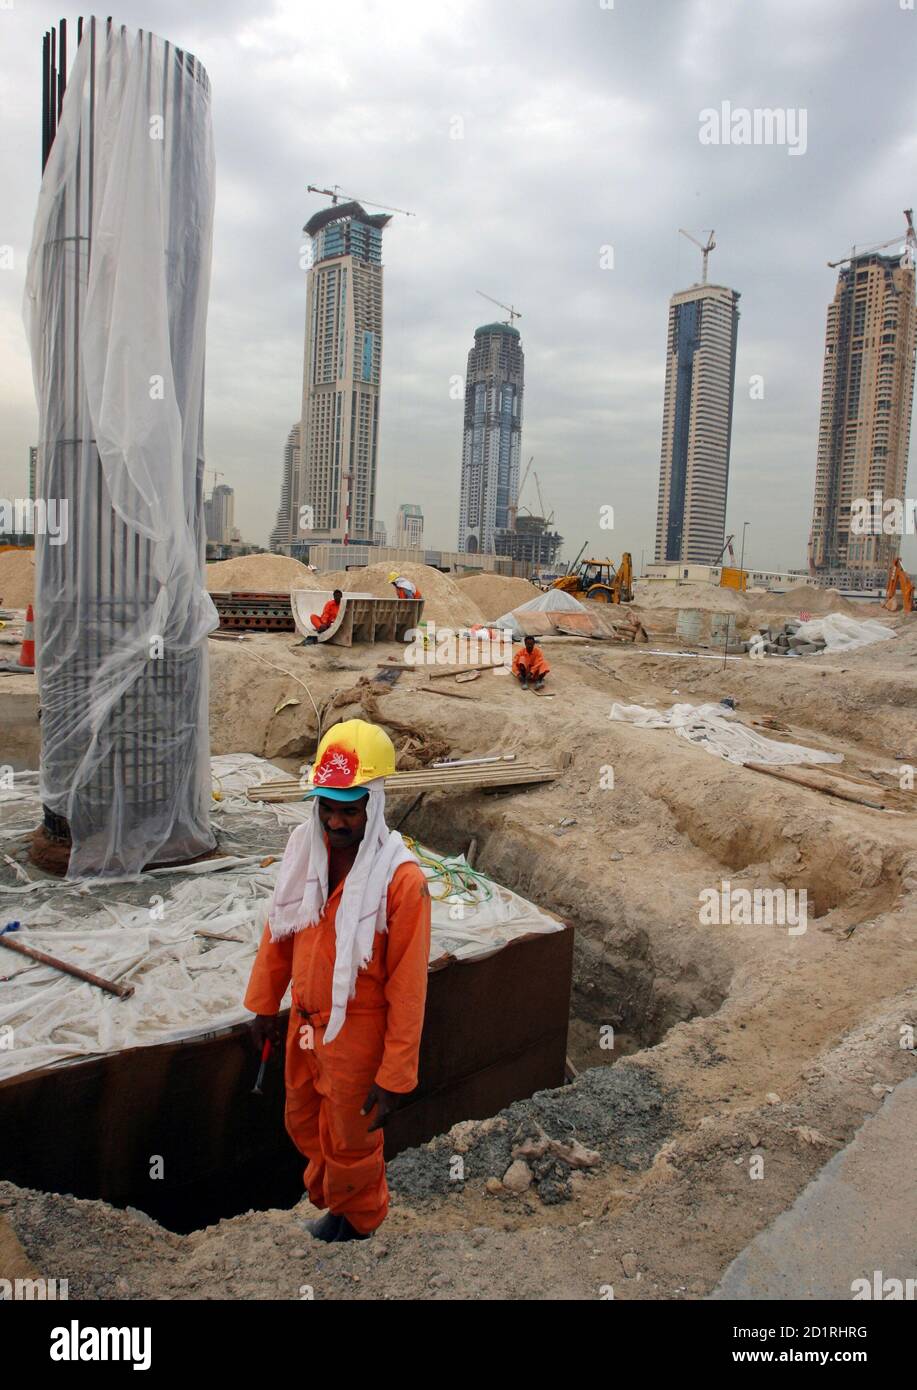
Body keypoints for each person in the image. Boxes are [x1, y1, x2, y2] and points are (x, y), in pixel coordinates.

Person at [244, 719, 431, 1243]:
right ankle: (335, 1205)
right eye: (327, 808)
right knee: (304, 1121)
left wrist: (396, 1074)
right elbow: (280, 931)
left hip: (357, 1033)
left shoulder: (401, 882)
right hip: (306, 1026)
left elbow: (408, 990)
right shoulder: (307, 853)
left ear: (373, 807)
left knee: (352, 1138)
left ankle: (359, 1223)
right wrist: (264, 1007)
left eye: (349, 810)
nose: (336, 821)